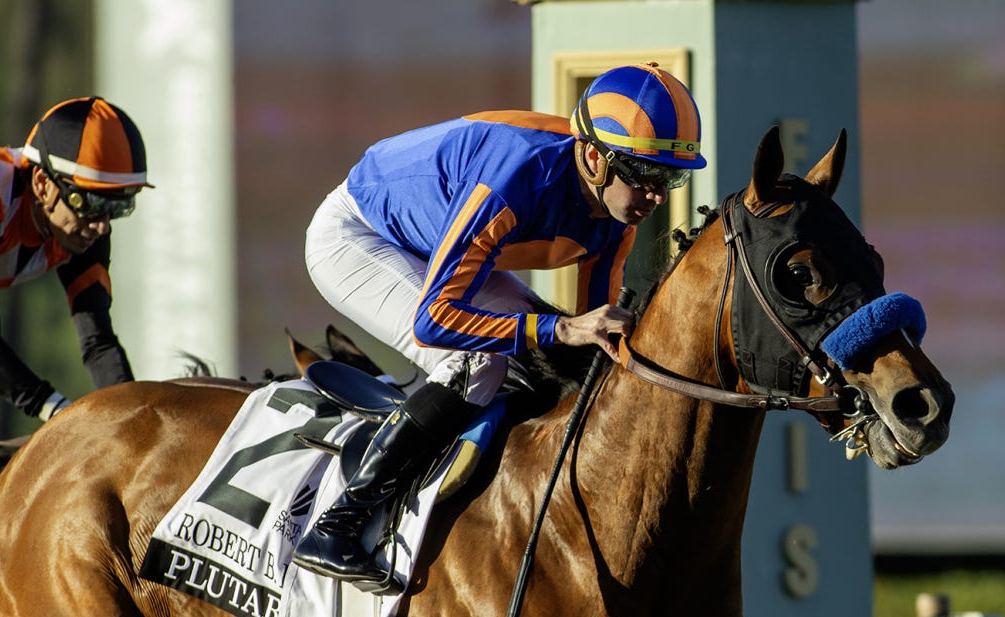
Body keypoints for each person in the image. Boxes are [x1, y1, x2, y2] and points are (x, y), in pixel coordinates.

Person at [293, 62, 706, 583]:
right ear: (595, 159)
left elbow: (596, 349)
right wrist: (561, 329)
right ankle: (338, 525)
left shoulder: (618, 215)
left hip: (434, 239)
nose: (658, 197)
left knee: (555, 358)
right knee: (476, 363)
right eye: (646, 176)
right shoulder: (513, 179)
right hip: (359, 234)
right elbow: (435, 322)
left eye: (669, 178)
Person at [0, 96, 151, 422]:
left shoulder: (84, 229)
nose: (102, 226)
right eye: (92, 203)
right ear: (42, 184)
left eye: (118, 207)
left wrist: (135, 421)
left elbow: (98, 342)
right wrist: (61, 414)